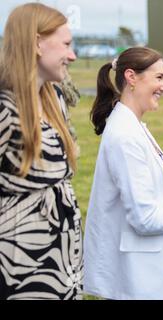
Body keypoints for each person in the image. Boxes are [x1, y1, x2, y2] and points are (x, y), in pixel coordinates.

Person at [83, 47, 163, 300]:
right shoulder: (125, 135)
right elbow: (145, 218)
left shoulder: (132, 126)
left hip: (146, 275)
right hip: (141, 282)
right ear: (131, 77)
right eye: (159, 77)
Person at [0, 3, 82, 300]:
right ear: (36, 43)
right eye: (66, 45)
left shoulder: (54, 100)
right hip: (20, 268)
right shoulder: (5, 108)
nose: (72, 56)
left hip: (62, 263)